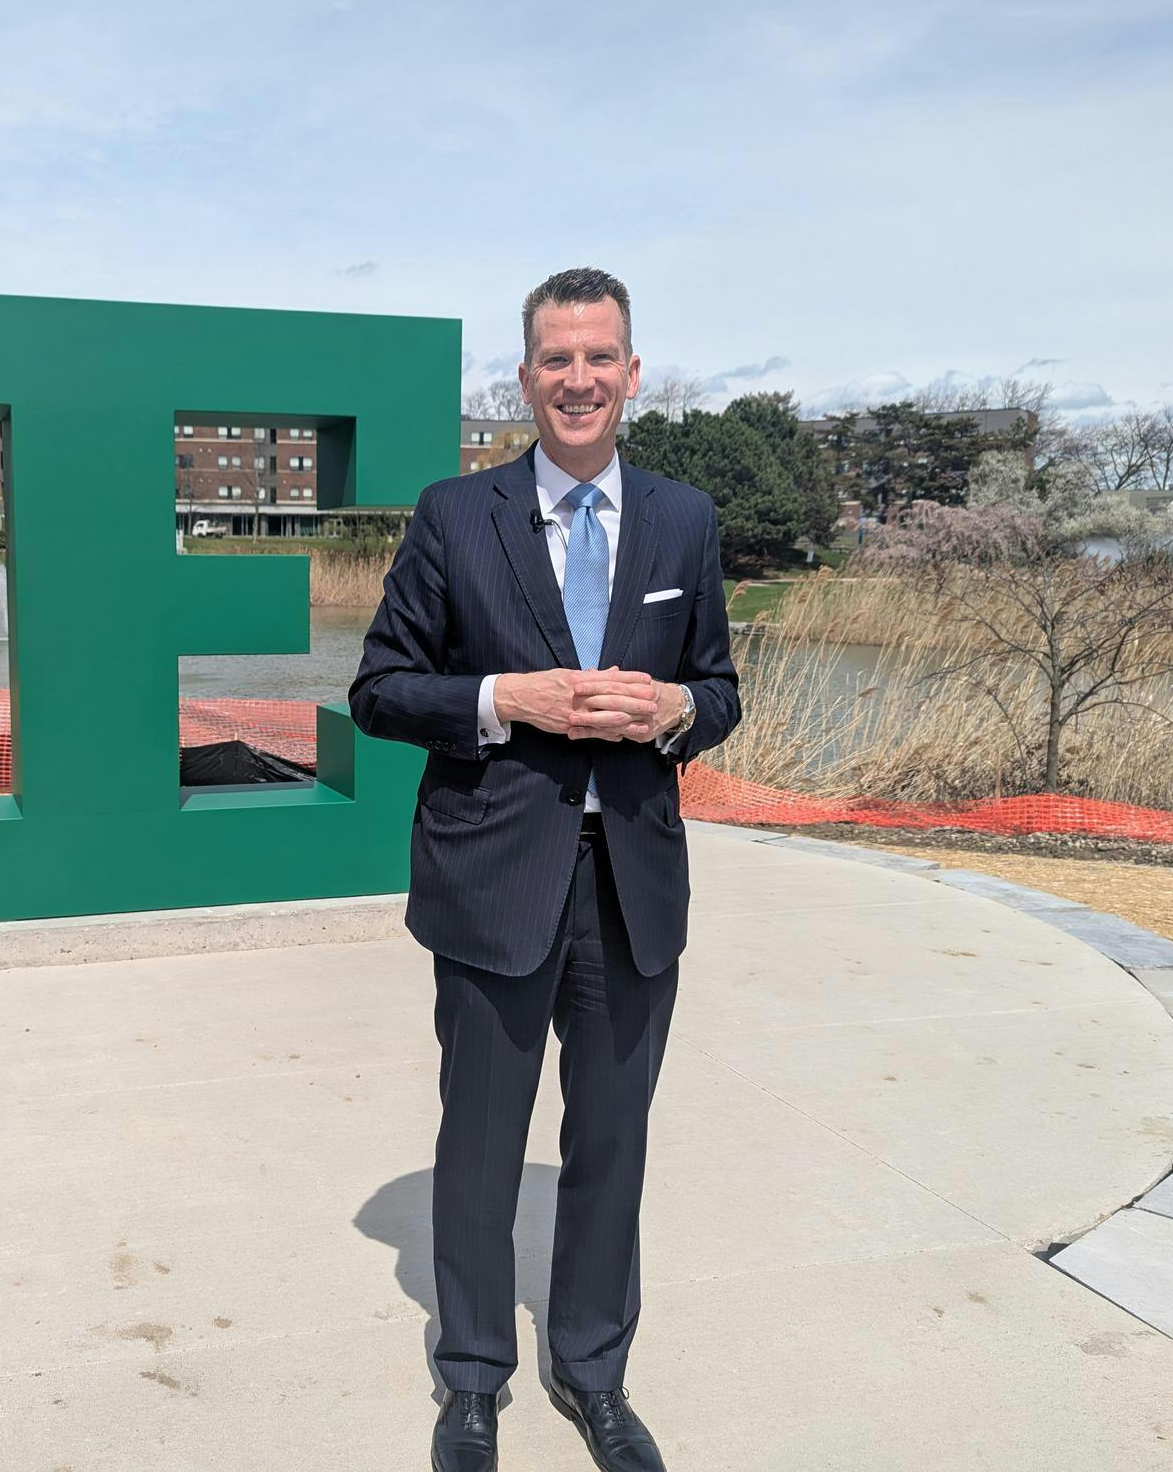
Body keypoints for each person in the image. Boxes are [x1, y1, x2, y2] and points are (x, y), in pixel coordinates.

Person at [351, 268, 740, 1472]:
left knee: (611, 1141)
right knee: (478, 1143)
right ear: (523, 379)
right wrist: (494, 698)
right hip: (491, 876)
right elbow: (377, 688)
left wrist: (677, 707)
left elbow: (720, 692)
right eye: (555, 360)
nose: (578, 380)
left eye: (600, 358)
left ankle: (593, 1372)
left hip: (632, 887)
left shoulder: (683, 521)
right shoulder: (452, 515)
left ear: (633, 374)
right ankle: (471, 1380)